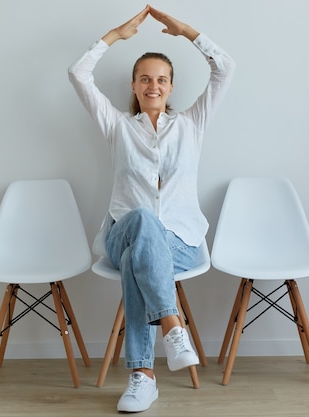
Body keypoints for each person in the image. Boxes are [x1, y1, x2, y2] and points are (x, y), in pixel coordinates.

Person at [68, 4, 235, 413]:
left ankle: (142, 378)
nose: (153, 85)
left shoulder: (192, 125)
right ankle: (172, 326)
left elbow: (225, 68)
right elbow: (78, 74)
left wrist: (187, 32)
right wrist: (114, 35)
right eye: (145, 79)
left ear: (172, 86)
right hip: (121, 230)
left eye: (161, 79)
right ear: (134, 84)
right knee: (141, 219)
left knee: (136, 260)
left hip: (180, 242)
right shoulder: (117, 127)